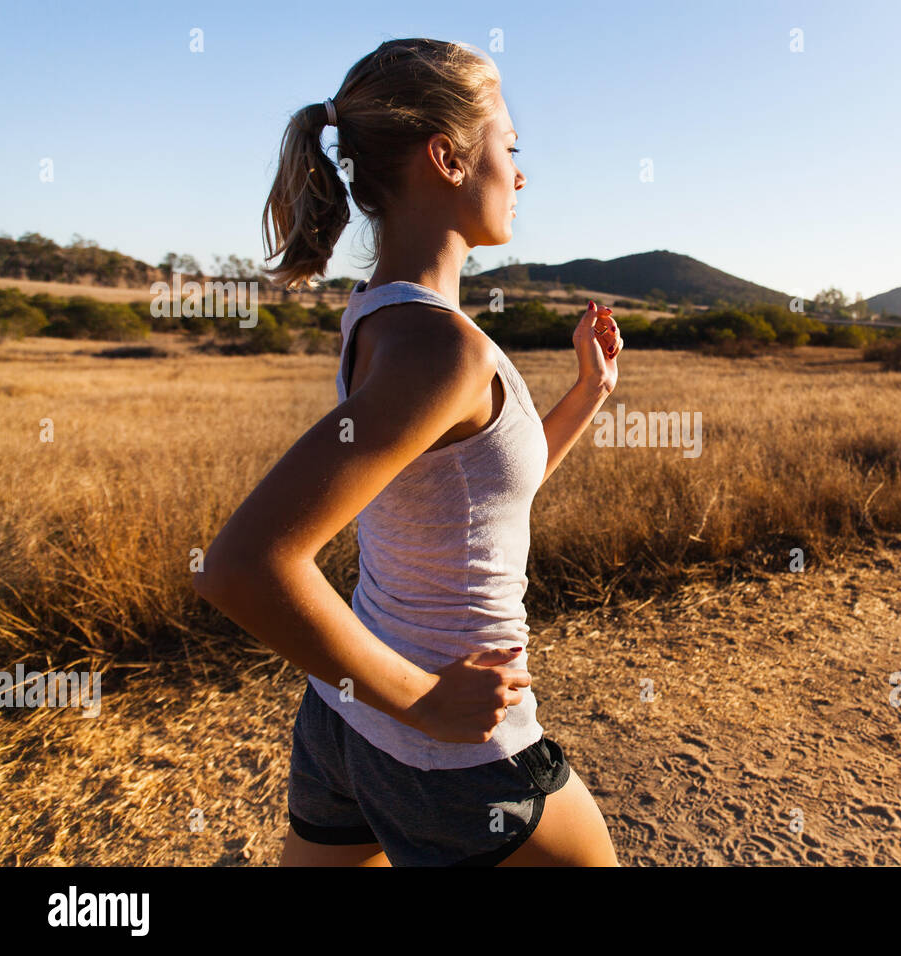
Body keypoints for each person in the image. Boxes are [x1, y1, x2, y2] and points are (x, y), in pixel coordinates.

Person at [194, 38, 621, 866]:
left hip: (345, 725)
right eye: (511, 147)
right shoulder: (440, 350)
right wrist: (425, 701)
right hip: (455, 758)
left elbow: (478, 500)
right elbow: (241, 565)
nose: (522, 173)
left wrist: (588, 394)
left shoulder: (380, 317)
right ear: (448, 158)